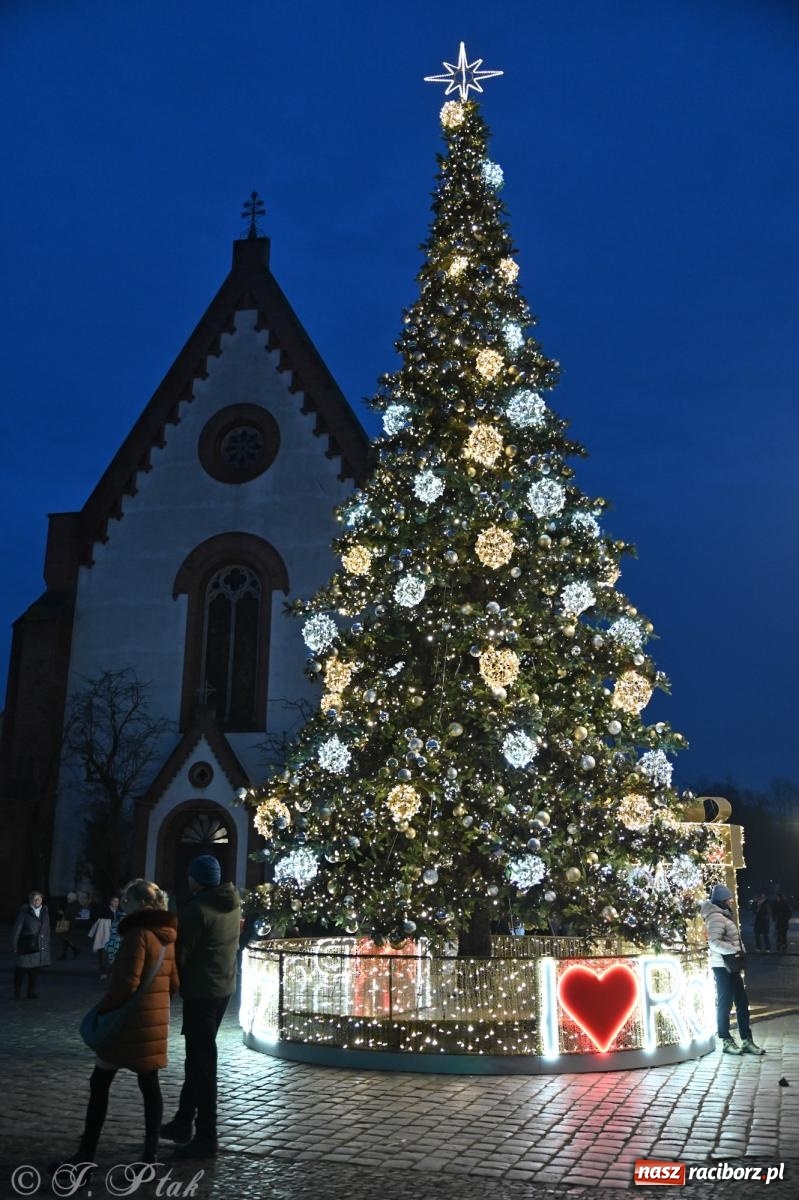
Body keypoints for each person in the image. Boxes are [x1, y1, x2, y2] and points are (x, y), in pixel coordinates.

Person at [51, 879, 179, 1171]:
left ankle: (85, 1156)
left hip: (127, 1023)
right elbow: (174, 984)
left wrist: (105, 1007)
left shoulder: (138, 933)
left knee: (100, 1082)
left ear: (143, 905)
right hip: (152, 1022)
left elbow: (127, 983)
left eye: (128, 901)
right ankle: (149, 1156)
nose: (124, 906)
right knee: (149, 1085)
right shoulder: (167, 936)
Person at [160, 854, 241, 1159]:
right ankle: (183, 1121)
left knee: (202, 1062)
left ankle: (206, 1134)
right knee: (198, 1058)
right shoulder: (231, 902)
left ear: (197, 878)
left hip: (201, 993)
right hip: (223, 989)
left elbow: (181, 953)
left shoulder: (196, 910)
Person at [699, 884, 764, 1056]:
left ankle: (746, 1040)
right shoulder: (715, 917)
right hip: (722, 966)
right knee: (725, 1004)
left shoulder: (723, 915)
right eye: (728, 899)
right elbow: (713, 942)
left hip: (732, 965)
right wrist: (734, 950)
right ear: (721, 900)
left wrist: (740, 950)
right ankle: (726, 1040)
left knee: (742, 1003)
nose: (731, 901)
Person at [12, 889, 51, 999]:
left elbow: (47, 930)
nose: (37, 901)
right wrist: (14, 945)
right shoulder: (24, 913)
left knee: (34, 971)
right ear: (31, 901)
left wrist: (46, 944)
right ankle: (17, 991)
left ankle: (31, 992)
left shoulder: (45, 912)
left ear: (42, 900)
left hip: (39, 946)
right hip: (26, 946)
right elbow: (16, 930)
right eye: (35, 899)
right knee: (21, 970)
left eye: (39, 899)